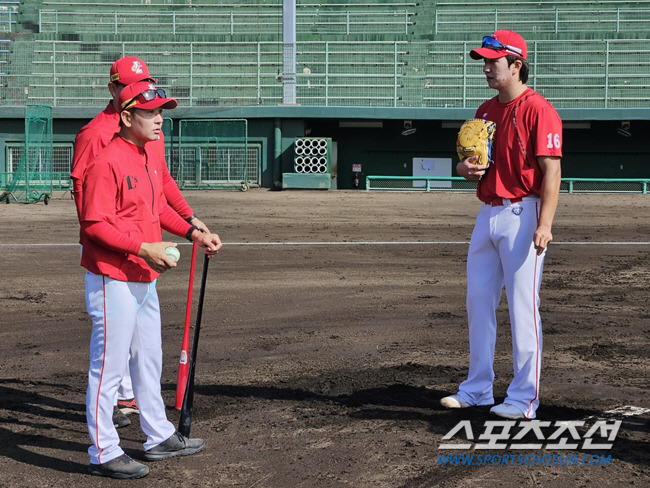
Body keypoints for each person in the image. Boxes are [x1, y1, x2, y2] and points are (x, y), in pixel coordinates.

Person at [81, 81, 222, 479]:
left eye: (161, 112)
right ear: (127, 117)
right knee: (108, 368)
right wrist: (144, 249)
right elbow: (93, 225)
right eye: (150, 113)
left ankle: (158, 435)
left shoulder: (144, 156)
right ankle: (103, 449)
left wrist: (194, 232)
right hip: (112, 277)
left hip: (142, 275)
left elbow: (159, 209)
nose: (160, 119)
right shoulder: (106, 161)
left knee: (147, 360)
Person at [440, 31, 562, 420]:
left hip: (523, 214)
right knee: (478, 302)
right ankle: (477, 389)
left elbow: (552, 171)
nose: (487, 68)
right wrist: (464, 169)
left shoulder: (538, 109)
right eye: (484, 62)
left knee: (523, 308)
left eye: (494, 62)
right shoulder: (485, 110)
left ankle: (524, 398)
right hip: (487, 213)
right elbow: (470, 169)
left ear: (516, 65)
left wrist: (545, 224)